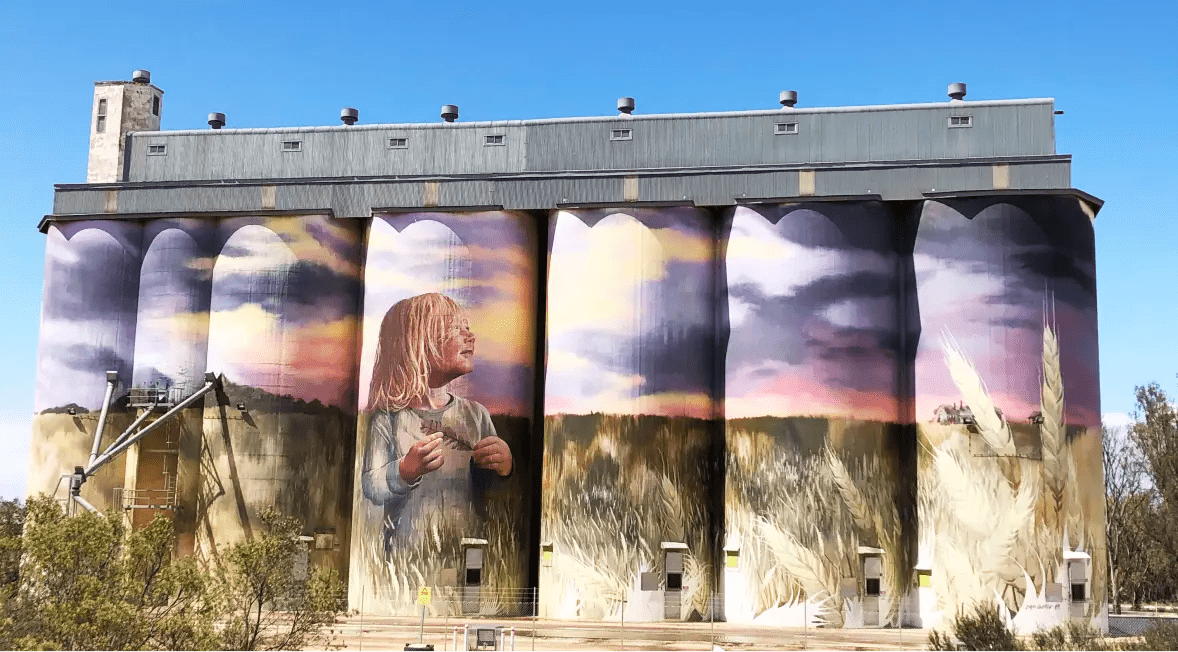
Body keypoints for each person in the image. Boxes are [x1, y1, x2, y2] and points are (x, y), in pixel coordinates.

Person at [360, 292, 513, 551]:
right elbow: (371, 486)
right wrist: (405, 470)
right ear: (417, 343)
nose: (470, 336)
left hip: (468, 551)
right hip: (407, 556)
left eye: (468, 328)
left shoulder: (475, 415)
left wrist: (505, 466)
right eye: (456, 329)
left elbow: (493, 491)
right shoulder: (388, 421)